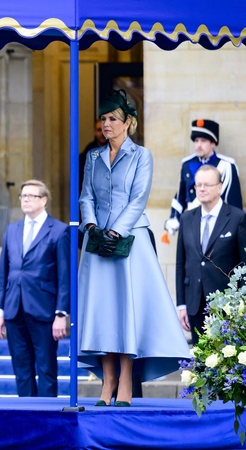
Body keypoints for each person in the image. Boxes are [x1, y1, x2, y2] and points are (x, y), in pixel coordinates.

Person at [78, 89, 189, 407]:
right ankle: (108, 381)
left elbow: (139, 198)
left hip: (129, 242)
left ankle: (125, 381)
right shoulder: (93, 157)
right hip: (97, 242)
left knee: (126, 312)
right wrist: (91, 227)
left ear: (128, 122)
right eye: (103, 118)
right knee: (102, 314)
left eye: (113, 119)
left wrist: (115, 231)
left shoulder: (142, 156)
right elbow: (86, 196)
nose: (106, 124)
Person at [0, 180, 69, 397]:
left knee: (46, 369)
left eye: (31, 196)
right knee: (22, 370)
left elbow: (65, 276)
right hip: (14, 309)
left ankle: (46, 414)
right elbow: (3, 274)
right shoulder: (12, 229)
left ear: (44, 200)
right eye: (23, 196)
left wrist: (61, 313)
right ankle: (26, 412)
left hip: (43, 310)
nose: (25, 199)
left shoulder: (59, 231)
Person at [176, 165, 246, 344]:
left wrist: (241, 305)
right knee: (199, 356)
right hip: (194, 304)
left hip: (226, 306)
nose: (201, 189)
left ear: (219, 188)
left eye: (207, 184)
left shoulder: (237, 217)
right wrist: (181, 304)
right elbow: (181, 264)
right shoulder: (186, 219)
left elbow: (243, 264)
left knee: (225, 358)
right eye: (198, 185)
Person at [164, 119, 242, 238]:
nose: (198, 145)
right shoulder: (187, 164)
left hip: (218, 224)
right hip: (192, 223)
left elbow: (233, 201)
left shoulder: (226, 166)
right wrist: (174, 219)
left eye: (203, 141)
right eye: (196, 141)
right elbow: (181, 196)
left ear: (213, 143)